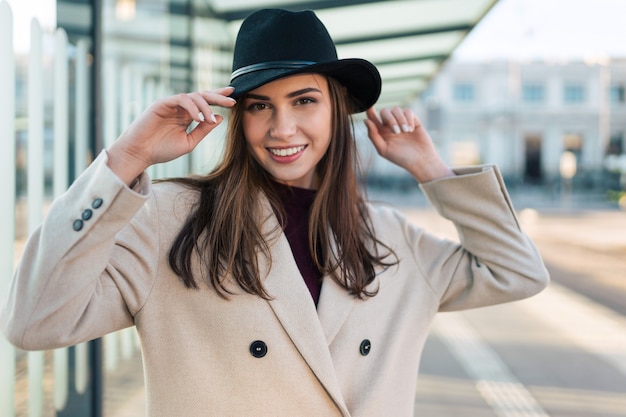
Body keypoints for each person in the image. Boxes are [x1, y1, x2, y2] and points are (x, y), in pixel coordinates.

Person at [0, 8, 549, 417]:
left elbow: (517, 273)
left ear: (336, 110)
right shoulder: (173, 218)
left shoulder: (389, 238)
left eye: (304, 101)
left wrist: (434, 171)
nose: (282, 129)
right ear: (238, 120)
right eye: (261, 107)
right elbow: (34, 321)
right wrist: (126, 159)